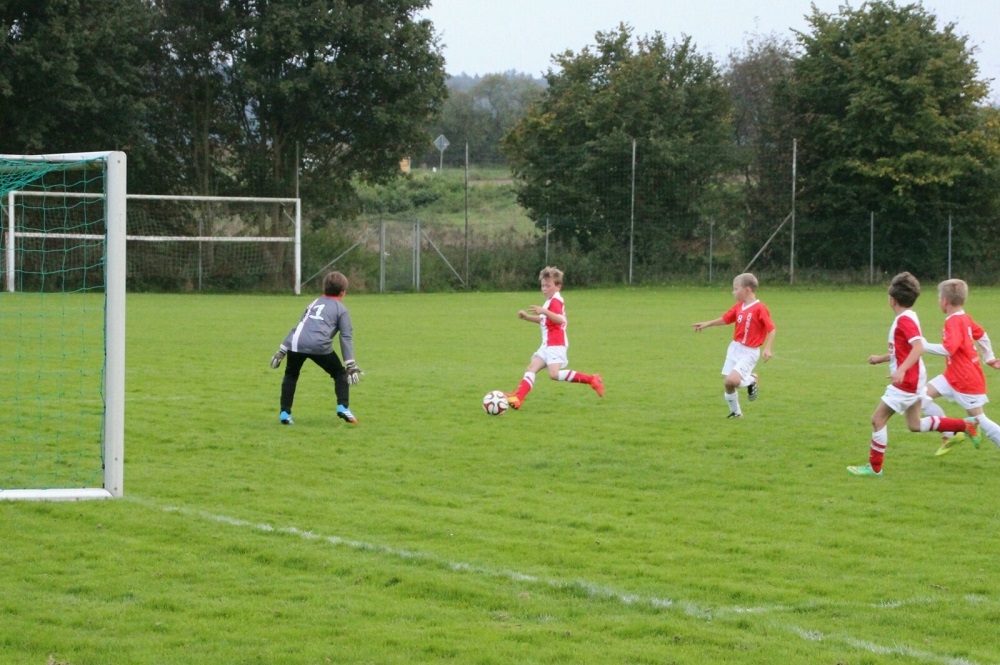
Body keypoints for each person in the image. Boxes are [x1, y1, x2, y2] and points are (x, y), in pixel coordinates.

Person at [847, 272, 979, 477]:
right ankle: (966, 425)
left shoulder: (904, 321)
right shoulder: (909, 316)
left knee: (878, 419)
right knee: (915, 424)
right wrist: (882, 358)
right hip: (915, 378)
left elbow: (918, 347)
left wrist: (900, 370)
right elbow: (903, 350)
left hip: (907, 381)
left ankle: (874, 468)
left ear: (892, 299)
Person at [269, 271, 362, 425]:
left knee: (291, 375)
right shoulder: (341, 309)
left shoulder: (314, 303)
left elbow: (299, 326)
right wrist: (350, 364)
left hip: (297, 343)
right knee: (339, 373)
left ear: (324, 288)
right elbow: (346, 336)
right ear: (343, 292)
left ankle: (285, 413)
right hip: (319, 345)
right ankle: (343, 406)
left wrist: (282, 350)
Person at [920, 278, 1000, 455]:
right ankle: (949, 433)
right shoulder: (964, 318)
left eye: (939, 298)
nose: (939, 301)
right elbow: (983, 335)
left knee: (980, 420)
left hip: (966, 380)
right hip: (951, 376)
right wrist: (989, 357)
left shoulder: (954, 321)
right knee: (920, 398)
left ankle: (967, 427)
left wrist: (923, 345)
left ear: (945, 301)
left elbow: (949, 349)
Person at [505, 266, 603, 410]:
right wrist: (527, 317)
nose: (544, 289)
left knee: (554, 374)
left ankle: (592, 379)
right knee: (531, 367)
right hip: (547, 344)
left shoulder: (556, 300)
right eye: (543, 285)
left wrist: (544, 311)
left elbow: (559, 320)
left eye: (548, 286)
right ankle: (518, 398)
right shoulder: (549, 301)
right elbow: (545, 320)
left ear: (558, 286)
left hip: (556, 343)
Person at [692, 272, 776, 418]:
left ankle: (752, 379)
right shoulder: (739, 307)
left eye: (736, 289)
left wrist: (768, 349)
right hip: (735, 348)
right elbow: (726, 319)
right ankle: (736, 413)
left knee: (732, 380)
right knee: (728, 384)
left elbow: (772, 329)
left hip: (749, 352)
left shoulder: (760, 308)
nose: (733, 292)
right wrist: (707, 324)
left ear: (747, 290)